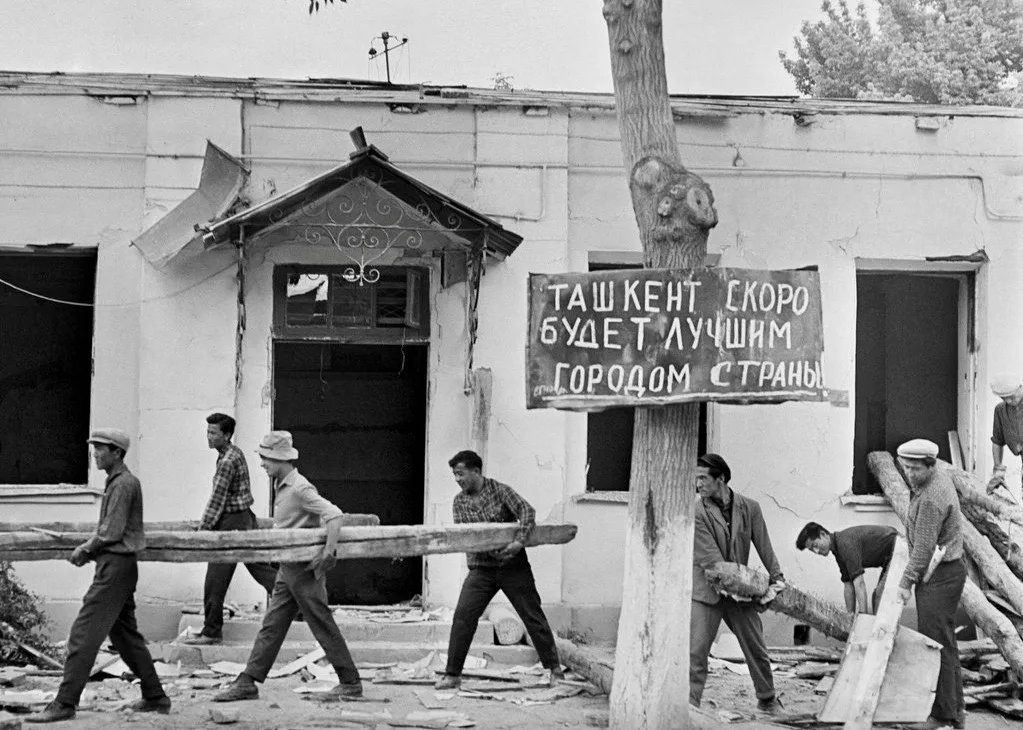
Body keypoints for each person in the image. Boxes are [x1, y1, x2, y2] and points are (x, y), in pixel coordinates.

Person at [27, 429, 170, 723]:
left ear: (117, 453)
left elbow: (112, 532)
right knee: (125, 636)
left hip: (115, 567)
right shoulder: (117, 483)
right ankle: (156, 696)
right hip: (116, 565)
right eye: (94, 449)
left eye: (100, 450)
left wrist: (85, 549)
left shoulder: (123, 484)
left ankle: (65, 702)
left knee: (83, 634)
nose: (95, 455)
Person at [213, 431, 362, 702]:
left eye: (265, 459)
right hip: (287, 568)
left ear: (279, 459)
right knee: (272, 625)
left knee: (321, 624)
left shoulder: (300, 488)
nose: (262, 464)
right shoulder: (281, 484)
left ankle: (350, 681)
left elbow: (334, 514)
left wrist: (329, 552)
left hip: (304, 570)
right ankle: (249, 680)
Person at [434, 450, 563, 690]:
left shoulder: (500, 490)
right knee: (463, 618)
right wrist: (487, 548)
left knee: (532, 616)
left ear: (476, 471)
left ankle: (555, 670)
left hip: (513, 566)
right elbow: (466, 536)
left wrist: (518, 542)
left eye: (461, 474)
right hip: (481, 570)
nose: (458, 480)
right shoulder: (459, 501)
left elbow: (527, 511)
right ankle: (452, 675)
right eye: (455, 475)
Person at [690, 453, 784, 714]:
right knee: (696, 653)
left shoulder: (750, 507)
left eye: (702, 478)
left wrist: (777, 579)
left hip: (740, 590)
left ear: (720, 478)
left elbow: (764, 545)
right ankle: (691, 707)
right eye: (696, 479)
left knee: (756, 646)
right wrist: (751, 588)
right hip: (708, 591)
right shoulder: (697, 512)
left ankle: (767, 699)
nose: (698, 485)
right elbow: (713, 562)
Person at [185, 413, 278, 646]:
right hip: (244, 518)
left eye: (213, 433)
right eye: (207, 432)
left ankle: (212, 631)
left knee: (215, 580)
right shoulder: (232, 453)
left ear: (226, 435)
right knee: (260, 568)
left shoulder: (227, 461)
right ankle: (298, 606)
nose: (209, 436)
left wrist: (204, 527)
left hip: (233, 522)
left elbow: (218, 497)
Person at [896, 438, 967, 730]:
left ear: (931, 464)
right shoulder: (933, 479)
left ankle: (941, 717)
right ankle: (957, 711)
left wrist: (904, 582)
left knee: (935, 647)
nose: (909, 474)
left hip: (938, 576)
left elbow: (924, 549)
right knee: (946, 645)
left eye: (915, 468)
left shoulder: (930, 498)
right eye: (906, 468)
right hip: (945, 572)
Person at [796, 522, 898, 614]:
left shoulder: (845, 544)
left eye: (815, 545)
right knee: (877, 596)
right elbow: (848, 586)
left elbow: (860, 584)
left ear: (823, 534)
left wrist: (862, 617)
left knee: (880, 596)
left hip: (899, 548)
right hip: (891, 556)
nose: (816, 551)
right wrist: (850, 616)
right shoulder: (837, 550)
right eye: (812, 550)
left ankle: (874, 631)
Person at [988, 374, 1023, 497]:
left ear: (1020, 387)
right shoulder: (1000, 410)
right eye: (1004, 398)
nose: (1008, 401)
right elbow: (997, 441)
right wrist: (998, 469)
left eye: (1011, 397)